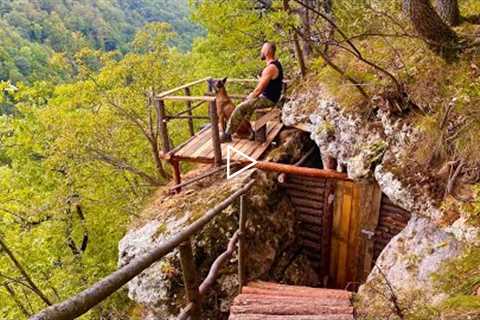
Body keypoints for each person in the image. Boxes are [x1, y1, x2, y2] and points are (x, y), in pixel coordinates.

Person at [220, 41, 284, 142]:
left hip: (269, 100)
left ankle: (227, 134)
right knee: (247, 107)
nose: (261, 51)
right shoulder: (275, 64)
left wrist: (252, 96)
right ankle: (249, 132)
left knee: (240, 107)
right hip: (269, 97)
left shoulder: (270, 68)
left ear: (267, 52)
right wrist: (251, 96)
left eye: (262, 49)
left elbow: (260, 88)